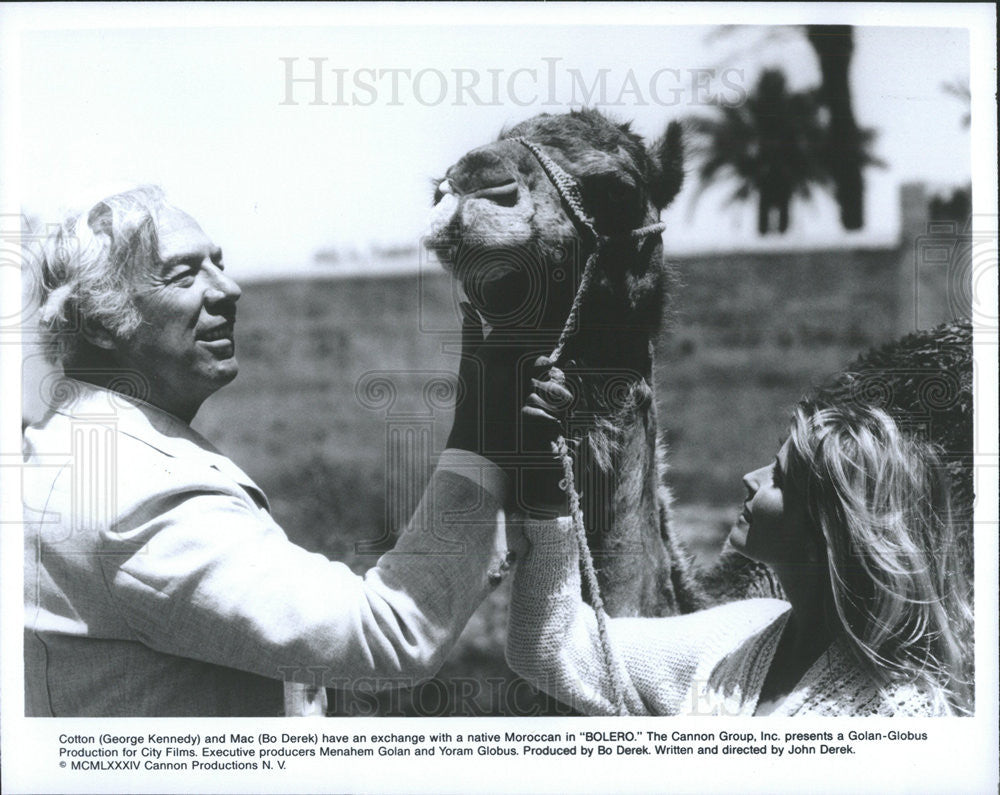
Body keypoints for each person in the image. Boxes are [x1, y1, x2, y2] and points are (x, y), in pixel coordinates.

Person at [22, 185, 550, 717]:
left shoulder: (67, 447)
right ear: (98, 322)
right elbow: (389, 633)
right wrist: (484, 422)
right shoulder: (135, 499)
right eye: (184, 275)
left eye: (219, 264)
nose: (228, 289)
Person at [506, 394, 974, 716]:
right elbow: (552, 649)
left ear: (828, 530)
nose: (751, 477)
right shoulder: (740, 633)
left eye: (780, 479)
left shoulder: (904, 711)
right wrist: (550, 501)